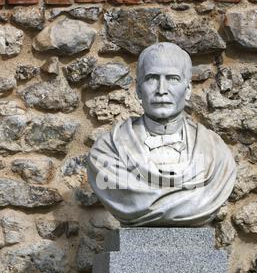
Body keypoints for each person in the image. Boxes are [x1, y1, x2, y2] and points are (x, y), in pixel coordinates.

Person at [87, 42, 236, 227]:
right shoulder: (107, 152)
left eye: (172, 79)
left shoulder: (216, 154)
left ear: (188, 90)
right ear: (139, 90)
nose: (161, 90)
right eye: (152, 78)